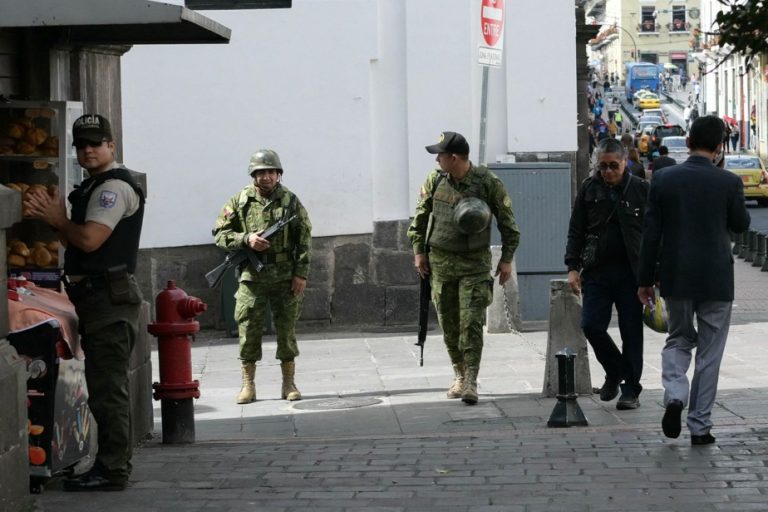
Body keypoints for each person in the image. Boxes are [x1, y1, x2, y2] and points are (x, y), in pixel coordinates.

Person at [23, 114, 145, 491]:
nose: (88, 150)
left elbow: (90, 240)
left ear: (112, 145)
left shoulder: (112, 188)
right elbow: (74, 244)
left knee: (107, 391)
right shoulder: (93, 187)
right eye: (81, 145)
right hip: (96, 298)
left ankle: (112, 471)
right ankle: (109, 466)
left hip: (109, 299)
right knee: (103, 387)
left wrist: (58, 220)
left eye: (96, 143)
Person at [637, 116, 750, 445]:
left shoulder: (664, 180)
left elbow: (651, 233)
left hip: (677, 276)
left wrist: (645, 280)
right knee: (710, 353)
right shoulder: (728, 182)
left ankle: (674, 394)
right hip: (716, 279)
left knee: (679, 338)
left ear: (687, 143)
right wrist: (725, 175)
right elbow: (741, 224)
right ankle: (700, 426)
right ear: (719, 148)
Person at [407, 131, 520, 405]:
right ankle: (458, 373)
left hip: (474, 265)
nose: (437, 159)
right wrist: (418, 251)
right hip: (441, 264)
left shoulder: (487, 183)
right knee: (449, 324)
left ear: (454, 158)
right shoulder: (435, 180)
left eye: (441, 155)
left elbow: (508, 223)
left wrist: (506, 258)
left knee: (470, 323)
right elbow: (421, 216)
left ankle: (471, 379)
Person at [213, 149, 312, 405]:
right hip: (252, 277)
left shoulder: (290, 201)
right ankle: (248, 385)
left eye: (270, 172)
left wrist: (300, 273)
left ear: (278, 174)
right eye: (261, 173)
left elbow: (304, 238)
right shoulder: (239, 201)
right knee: (247, 328)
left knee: (286, 329)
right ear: (253, 176)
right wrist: (246, 239)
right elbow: (219, 233)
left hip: (285, 276)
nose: (266, 177)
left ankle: (288, 383)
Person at [565, 138, 649, 410]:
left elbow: (653, 235)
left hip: (631, 274)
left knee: (631, 332)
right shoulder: (589, 189)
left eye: (614, 166)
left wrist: (654, 274)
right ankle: (616, 372)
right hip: (597, 273)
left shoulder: (641, 190)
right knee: (591, 326)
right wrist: (572, 267)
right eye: (603, 167)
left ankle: (631, 390)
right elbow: (576, 229)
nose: (608, 172)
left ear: (625, 162)